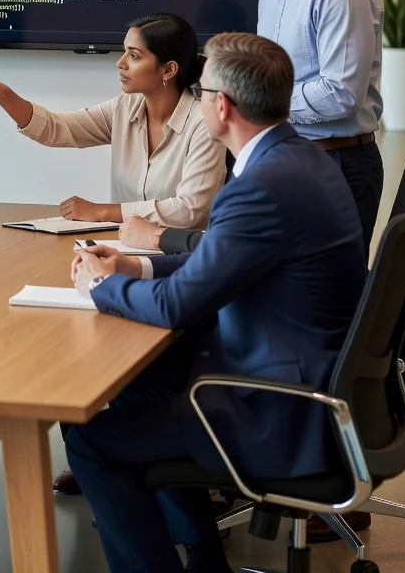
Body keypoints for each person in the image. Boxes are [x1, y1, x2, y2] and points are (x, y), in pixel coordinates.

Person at [65, 32, 367, 573]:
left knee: (91, 440)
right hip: (309, 380)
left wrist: (101, 287)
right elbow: (226, 259)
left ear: (220, 106)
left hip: (277, 410)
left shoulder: (258, 187)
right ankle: (204, 558)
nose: (196, 100)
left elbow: (181, 304)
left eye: (200, 91)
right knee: (137, 382)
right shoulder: (300, 158)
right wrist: (136, 264)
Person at [0, 11, 227, 492]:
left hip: (181, 264)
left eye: (133, 55)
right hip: (125, 255)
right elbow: (58, 128)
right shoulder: (126, 110)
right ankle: (101, 454)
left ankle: (119, 455)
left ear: (167, 70)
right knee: (66, 333)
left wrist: (103, 208)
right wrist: (1, 93)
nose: (120, 63)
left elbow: (189, 209)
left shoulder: (203, 121)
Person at [231, 0, 383, 252]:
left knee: (328, 304)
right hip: (284, 159)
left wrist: (257, 105)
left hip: (336, 164)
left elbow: (340, 94)